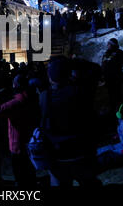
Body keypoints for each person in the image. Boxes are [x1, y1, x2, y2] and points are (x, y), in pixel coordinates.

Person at [39, 57, 100, 186]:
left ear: (50, 78)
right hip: (81, 151)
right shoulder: (80, 92)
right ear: (69, 74)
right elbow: (95, 69)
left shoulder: (44, 96)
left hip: (57, 154)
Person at [0, 74, 39, 186]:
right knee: (30, 172)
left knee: (20, 174)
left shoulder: (18, 101)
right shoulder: (33, 96)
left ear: (16, 85)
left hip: (18, 144)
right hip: (31, 141)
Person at [101, 38, 123, 112]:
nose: (107, 45)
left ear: (113, 45)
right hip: (109, 79)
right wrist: (103, 75)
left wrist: (122, 76)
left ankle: (120, 110)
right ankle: (113, 109)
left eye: (109, 44)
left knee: (118, 95)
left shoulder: (120, 53)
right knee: (111, 95)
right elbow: (103, 65)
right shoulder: (106, 53)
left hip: (117, 79)